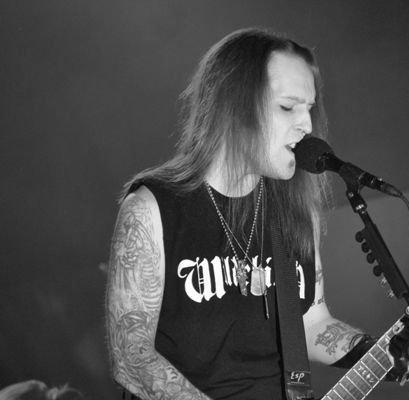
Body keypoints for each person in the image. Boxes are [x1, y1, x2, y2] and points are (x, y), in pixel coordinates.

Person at [105, 28, 391, 400]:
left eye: (309, 108)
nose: (307, 125)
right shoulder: (152, 208)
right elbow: (132, 357)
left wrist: (384, 353)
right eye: (288, 107)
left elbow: (312, 325)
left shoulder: (294, 212)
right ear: (235, 108)